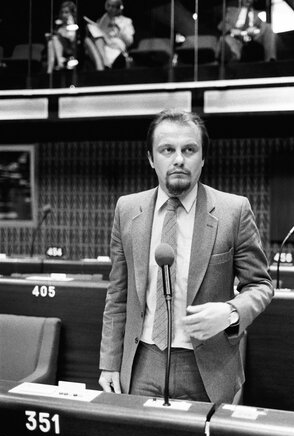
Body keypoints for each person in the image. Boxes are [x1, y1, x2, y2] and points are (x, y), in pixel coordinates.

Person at [99, 109, 274, 405]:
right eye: (167, 150)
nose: (178, 159)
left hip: (208, 366)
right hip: (141, 361)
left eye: (189, 149)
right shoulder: (127, 210)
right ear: (152, 159)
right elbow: (118, 293)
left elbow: (260, 285)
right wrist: (110, 361)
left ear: (202, 157)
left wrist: (230, 313)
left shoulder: (234, 211)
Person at [84, 0, 134, 69]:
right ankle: (103, 63)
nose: (110, 8)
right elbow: (99, 33)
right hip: (103, 44)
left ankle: (101, 66)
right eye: (108, 6)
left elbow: (129, 41)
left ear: (119, 8)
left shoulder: (126, 21)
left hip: (116, 46)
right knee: (88, 39)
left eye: (113, 6)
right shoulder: (103, 19)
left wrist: (118, 28)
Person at [46, 1, 79, 74]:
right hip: (61, 52)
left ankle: (52, 69)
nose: (64, 15)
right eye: (62, 12)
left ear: (72, 13)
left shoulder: (75, 25)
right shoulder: (59, 26)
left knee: (55, 38)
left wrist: (70, 23)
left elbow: (73, 40)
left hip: (72, 51)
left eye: (66, 12)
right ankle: (51, 69)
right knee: (51, 42)